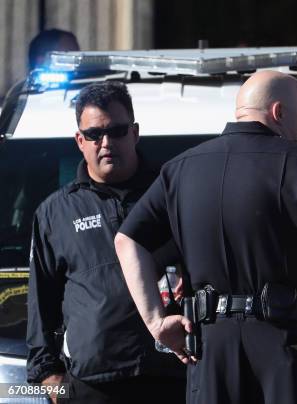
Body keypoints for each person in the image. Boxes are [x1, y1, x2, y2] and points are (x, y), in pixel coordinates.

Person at [114, 70, 297, 404]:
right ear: (278, 112)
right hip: (287, 348)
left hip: (210, 350)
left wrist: (156, 321)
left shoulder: (179, 169)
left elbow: (127, 241)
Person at [26, 81, 185, 403]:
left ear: (135, 132)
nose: (106, 142)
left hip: (174, 372)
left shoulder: (173, 194)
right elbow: (42, 301)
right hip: (93, 383)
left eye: (117, 131)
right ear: (79, 140)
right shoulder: (55, 212)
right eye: (95, 134)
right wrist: (48, 375)